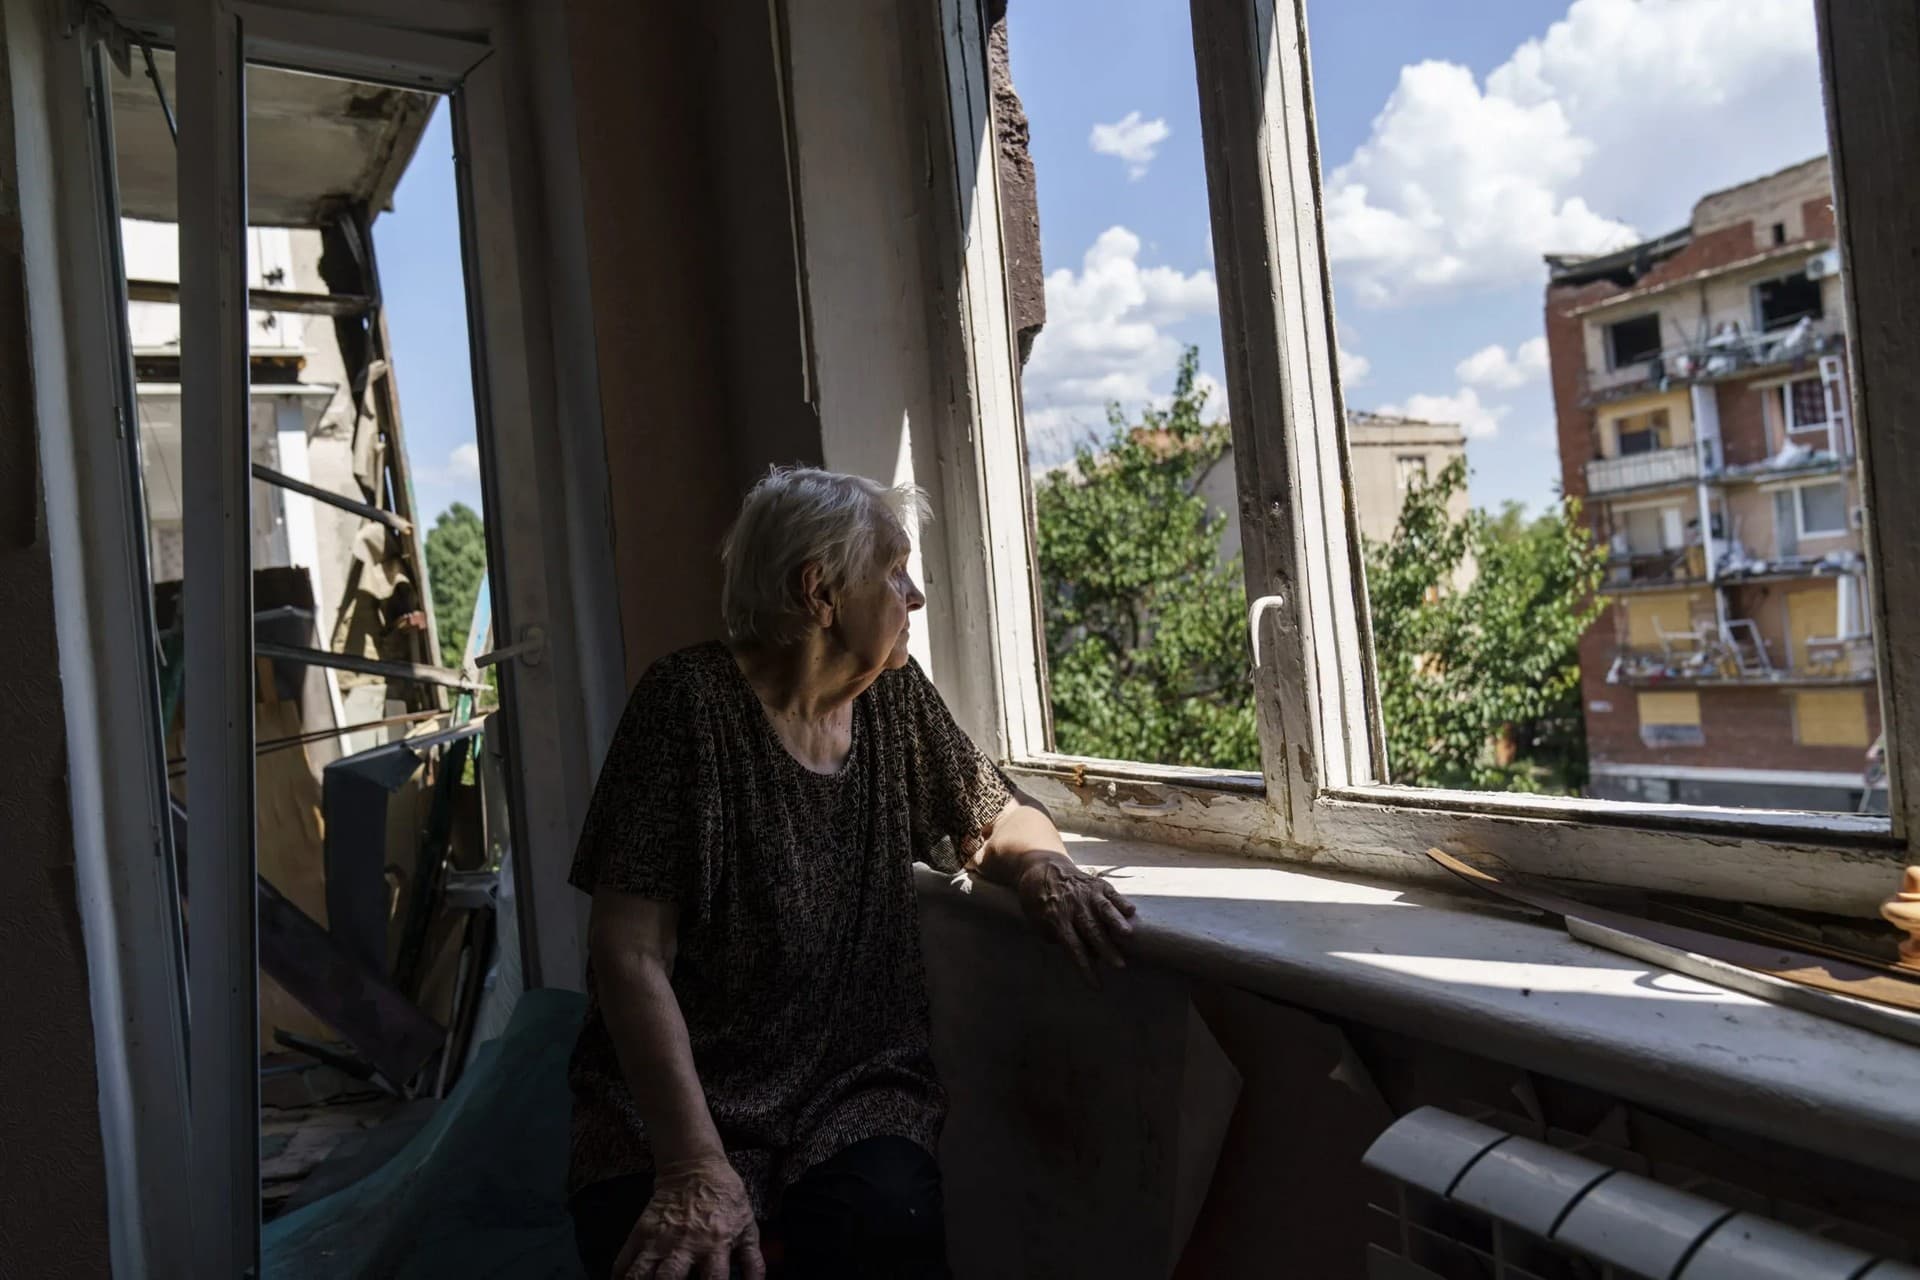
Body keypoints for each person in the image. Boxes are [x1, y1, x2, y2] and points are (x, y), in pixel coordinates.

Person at [566, 468, 1137, 1279]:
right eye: (894, 571)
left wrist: (1045, 868)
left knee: (887, 1224)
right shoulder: (686, 706)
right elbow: (628, 954)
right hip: (683, 1101)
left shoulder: (892, 699)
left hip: (853, 1089)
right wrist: (692, 1163)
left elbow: (991, 810)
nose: (915, 596)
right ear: (819, 592)